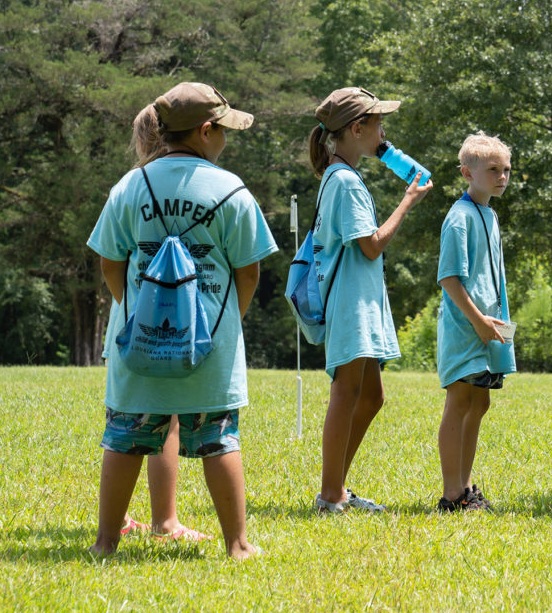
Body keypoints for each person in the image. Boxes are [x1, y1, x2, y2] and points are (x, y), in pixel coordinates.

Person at [87, 82, 278, 559]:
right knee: (218, 439)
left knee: (126, 436)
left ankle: (105, 543)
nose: (226, 142)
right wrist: (228, 319)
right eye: (225, 131)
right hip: (208, 344)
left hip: (141, 343)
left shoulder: (131, 185)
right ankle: (237, 545)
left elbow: (110, 262)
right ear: (206, 130)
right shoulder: (230, 188)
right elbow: (249, 269)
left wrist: (130, 308)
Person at [309, 87, 433, 513]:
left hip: (359, 300)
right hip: (349, 302)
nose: (384, 131)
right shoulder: (343, 180)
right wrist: (408, 201)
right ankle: (329, 495)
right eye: (378, 123)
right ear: (357, 129)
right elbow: (370, 245)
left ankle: (336, 488)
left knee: (372, 396)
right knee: (346, 392)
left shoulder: (342, 175)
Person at [435, 132, 516, 512]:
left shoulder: (490, 214)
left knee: (479, 402)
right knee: (461, 400)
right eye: (493, 170)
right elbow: (450, 278)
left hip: (490, 328)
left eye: (506, 170)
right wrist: (479, 320)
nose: (502, 176)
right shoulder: (459, 218)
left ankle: (466, 488)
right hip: (465, 327)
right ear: (468, 173)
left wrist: (494, 323)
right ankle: (451, 494)